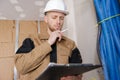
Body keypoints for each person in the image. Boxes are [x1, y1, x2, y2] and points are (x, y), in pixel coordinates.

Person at [15, 0, 83, 80]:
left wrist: (72, 78)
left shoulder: (71, 44)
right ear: (46, 19)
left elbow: (79, 73)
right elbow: (21, 68)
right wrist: (48, 43)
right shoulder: (31, 40)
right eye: (54, 17)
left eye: (61, 18)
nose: (58, 22)